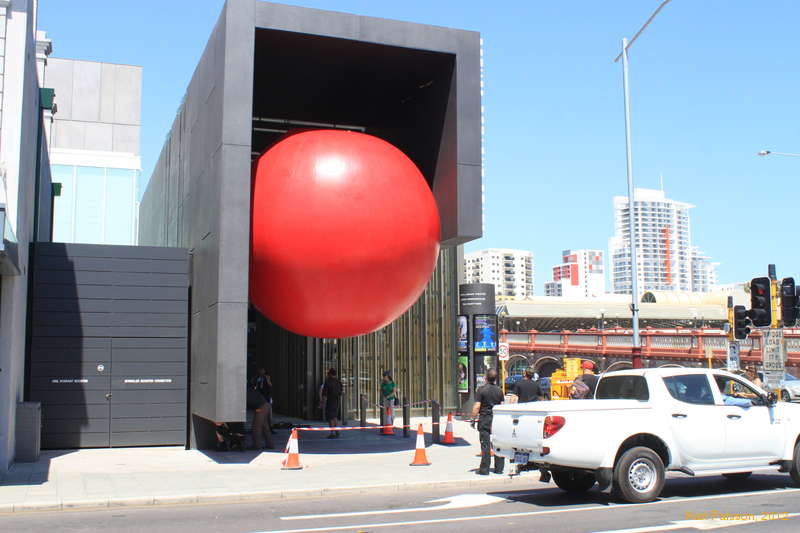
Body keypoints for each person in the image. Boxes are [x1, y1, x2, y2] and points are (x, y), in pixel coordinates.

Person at [472, 368, 505, 475]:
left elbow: (477, 406)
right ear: (495, 379)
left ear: (486, 377)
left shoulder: (481, 390)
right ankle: (499, 468)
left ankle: (484, 469)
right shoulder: (499, 390)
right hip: (497, 419)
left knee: (485, 445)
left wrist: (473, 419)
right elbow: (502, 405)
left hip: (485, 419)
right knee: (498, 443)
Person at [246, 385, 274, 449]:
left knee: (256, 427)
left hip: (261, 407)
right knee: (265, 427)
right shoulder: (249, 390)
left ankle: (256, 445)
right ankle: (270, 445)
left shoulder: (246, 392)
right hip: (264, 406)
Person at [322, 368, 343, 439]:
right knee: (334, 416)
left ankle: (332, 432)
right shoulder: (339, 382)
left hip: (330, 401)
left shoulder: (328, 381)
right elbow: (341, 392)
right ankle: (336, 431)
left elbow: (324, 394)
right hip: (337, 401)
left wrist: (322, 403)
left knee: (330, 417)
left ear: (330, 374)